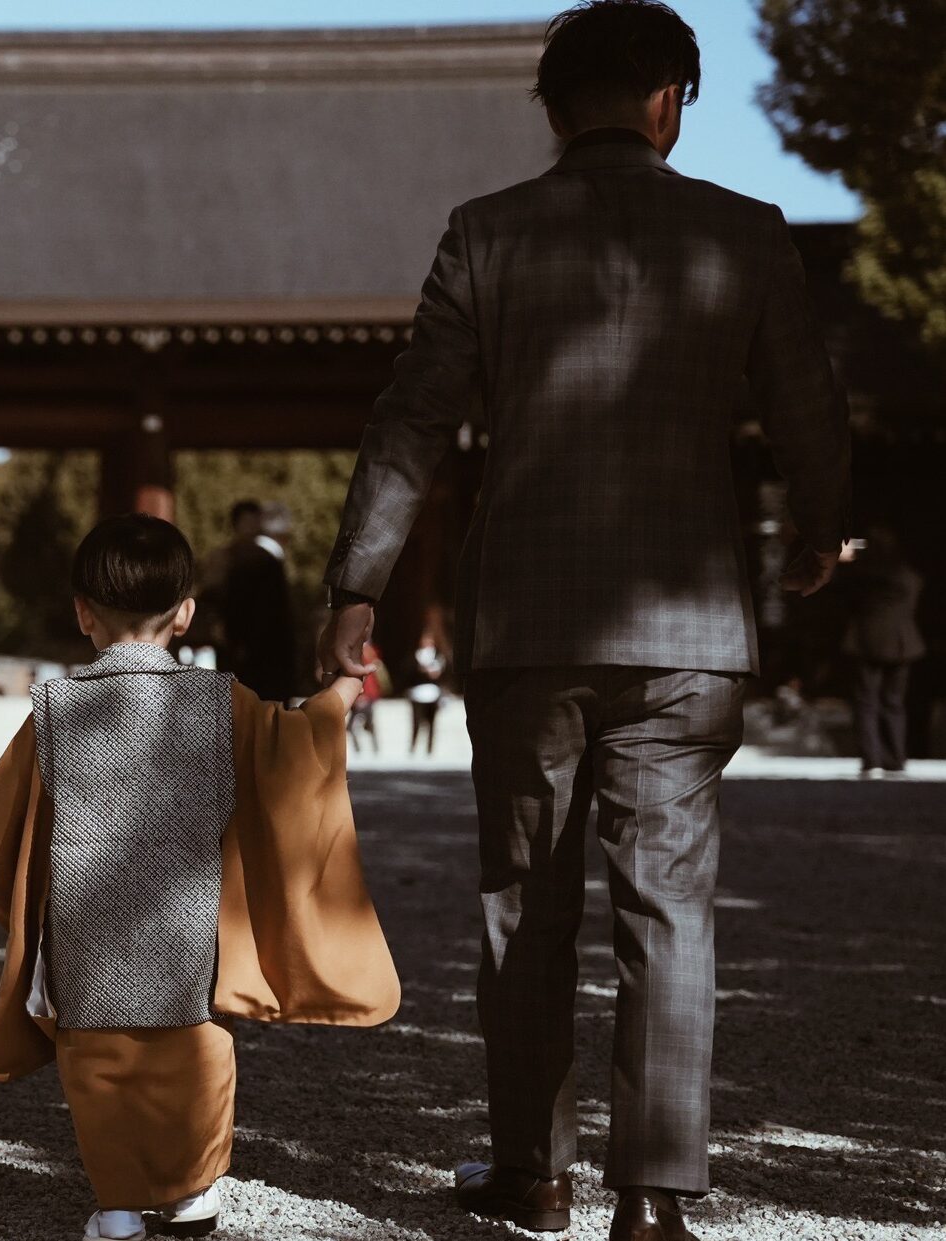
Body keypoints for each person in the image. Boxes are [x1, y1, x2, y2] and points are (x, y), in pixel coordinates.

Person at [315, 5, 850, 1237]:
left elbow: (411, 421)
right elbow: (808, 407)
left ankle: (534, 1171)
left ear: (553, 109)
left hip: (529, 620)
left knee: (524, 898)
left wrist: (358, 589)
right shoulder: (747, 233)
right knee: (667, 904)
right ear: (672, 97)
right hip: (687, 622)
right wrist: (819, 529)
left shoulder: (486, 234)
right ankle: (653, 1194)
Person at [0, 514, 399, 1241]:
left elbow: (2, 815)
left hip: (90, 933)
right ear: (186, 612)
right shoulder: (220, 700)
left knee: (97, 1061)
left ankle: (116, 1205)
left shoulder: (54, 707)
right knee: (196, 1048)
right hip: (189, 931)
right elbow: (295, 756)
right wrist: (337, 699)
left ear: (83, 612)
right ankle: (193, 1193)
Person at [841, 525, 924, 776]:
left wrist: (844, 560)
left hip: (866, 642)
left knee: (867, 702)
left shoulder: (862, 575)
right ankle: (896, 759)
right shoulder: (907, 576)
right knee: (894, 702)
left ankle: (873, 760)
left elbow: (841, 593)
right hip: (901, 643)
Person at [220, 499, 299, 703]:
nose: (253, 526)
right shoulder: (233, 559)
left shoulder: (265, 558)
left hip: (269, 648)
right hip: (247, 649)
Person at [409, 635, 447, 755]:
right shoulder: (415, 656)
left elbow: (440, 674)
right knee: (416, 723)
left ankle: (430, 749)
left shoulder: (438, 657)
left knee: (431, 723)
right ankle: (413, 748)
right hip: (417, 693)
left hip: (432, 693)